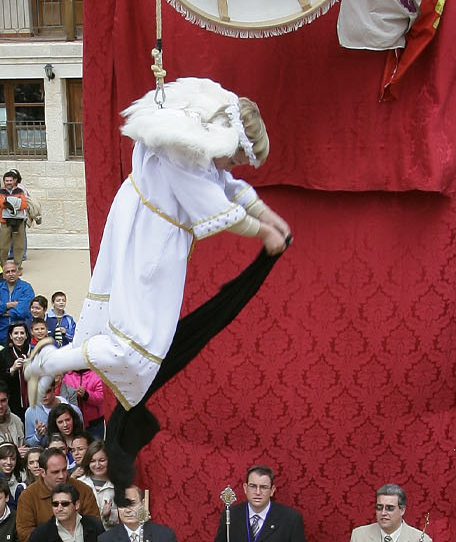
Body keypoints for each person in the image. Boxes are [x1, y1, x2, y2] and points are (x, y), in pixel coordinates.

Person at [25, 80, 289, 485]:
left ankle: (54, 363)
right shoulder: (185, 154)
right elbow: (216, 204)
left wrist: (269, 216)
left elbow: (228, 187)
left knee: (124, 332)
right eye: (235, 158)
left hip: (145, 230)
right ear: (228, 142)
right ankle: (50, 362)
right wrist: (263, 232)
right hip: (151, 245)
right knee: (139, 345)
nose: (232, 167)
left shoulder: (199, 153)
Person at [215, 467, 304, 542]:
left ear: (272, 490)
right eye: (253, 486)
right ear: (245, 488)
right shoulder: (230, 515)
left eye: (263, 487)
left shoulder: (291, 518)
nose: (258, 492)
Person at [29, 482, 104, 542]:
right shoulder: (40, 534)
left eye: (65, 504)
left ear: (77, 505)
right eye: (55, 504)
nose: (59, 508)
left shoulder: (94, 525)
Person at [103, 484, 177, 542]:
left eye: (132, 504)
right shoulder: (106, 539)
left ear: (143, 504)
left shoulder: (164, 536)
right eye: (122, 505)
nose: (127, 510)